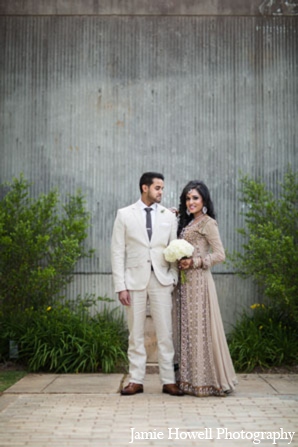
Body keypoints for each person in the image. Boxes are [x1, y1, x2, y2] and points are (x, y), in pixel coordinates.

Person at [111, 172, 183, 396]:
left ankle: (169, 380)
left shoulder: (169, 216)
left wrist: (173, 278)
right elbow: (116, 251)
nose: (161, 192)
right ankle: (136, 380)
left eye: (162, 188)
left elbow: (173, 247)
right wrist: (120, 286)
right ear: (145, 188)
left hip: (162, 280)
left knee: (165, 333)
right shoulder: (124, 214)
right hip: (134, 281)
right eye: (157, 188)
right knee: (135, 334)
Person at [173, 180, 238, 397]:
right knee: (187, 329)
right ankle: (189, 380)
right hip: (184, 285)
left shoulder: (208, 223)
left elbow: (220, 255)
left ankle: (208, 381)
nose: (190, 202)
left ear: (204, 200)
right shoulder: (188, 222)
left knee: (200, 329)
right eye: (187, 198)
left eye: (195, 198)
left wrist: (195, 262)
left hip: (199, 283)